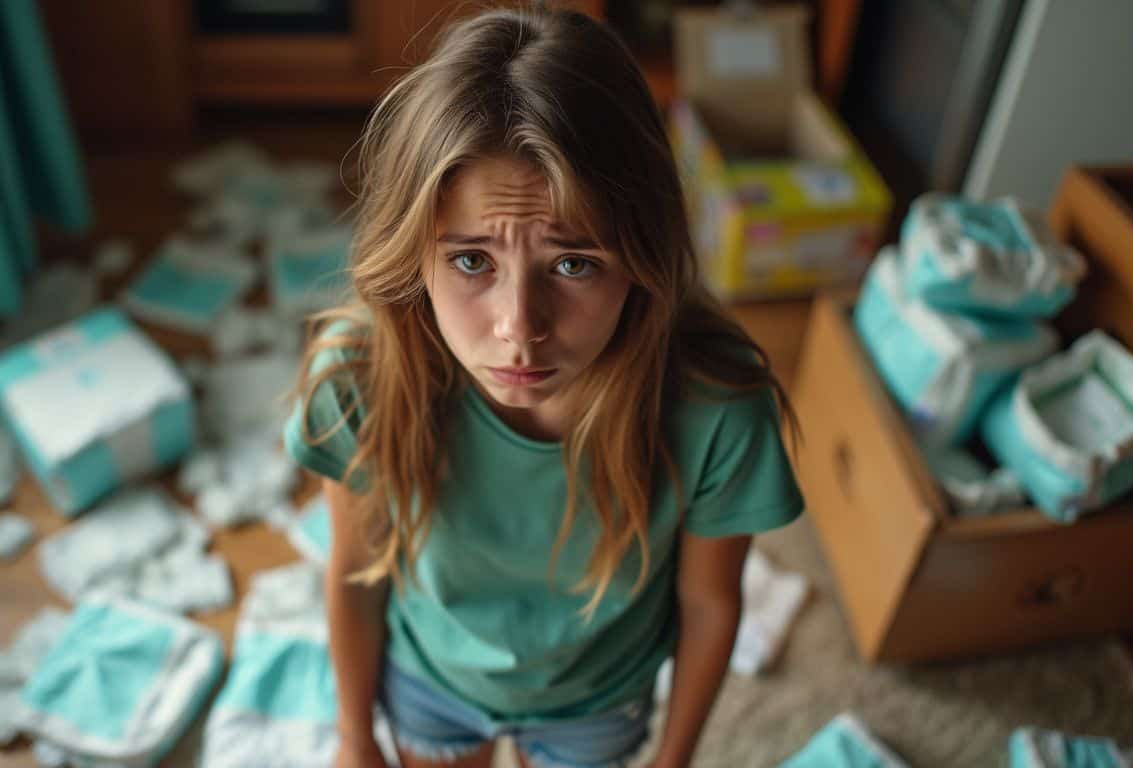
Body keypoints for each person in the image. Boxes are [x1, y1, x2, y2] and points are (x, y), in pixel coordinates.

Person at [284, 6, 804, 767]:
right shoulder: (360, 380)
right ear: (412, 254)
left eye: (573, 264)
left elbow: (708, 602)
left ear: (642, 257)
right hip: (429, 675)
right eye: (471, 262)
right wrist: (355, 737)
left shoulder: (718, 409)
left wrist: (674, 759)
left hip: (598, 700)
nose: (519, 329)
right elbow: (355, 577)